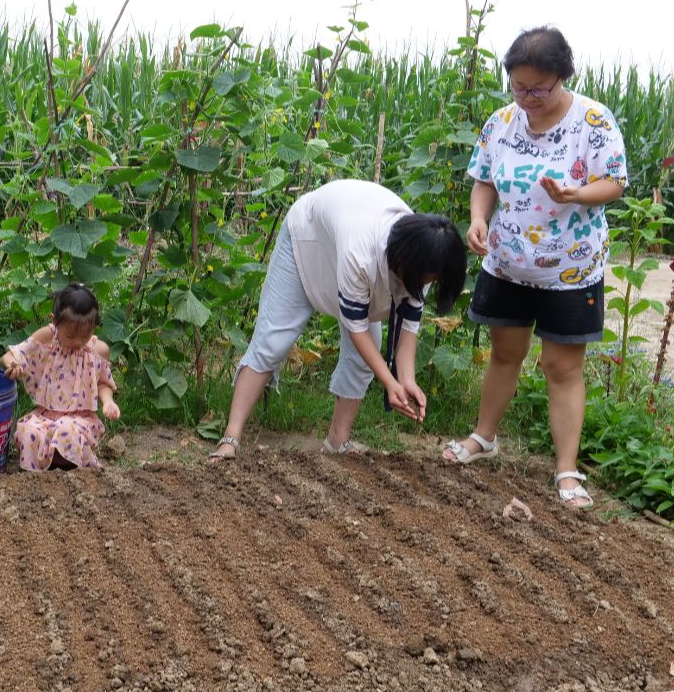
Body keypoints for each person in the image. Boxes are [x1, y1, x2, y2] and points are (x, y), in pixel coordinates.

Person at [442, 26, 628, 508]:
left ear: (563, 77)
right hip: (506, 263)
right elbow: (484, 179)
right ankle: (483, 437)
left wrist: (576, 194)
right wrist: (479, 219)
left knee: (561, 366)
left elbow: (614, 184)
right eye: (519, 87)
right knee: (505, 353)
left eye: (539, 89)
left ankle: (566, 471)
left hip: (570, 267)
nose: (528, 98)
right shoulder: (501, 121)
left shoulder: (593, 121)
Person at [207, 179, 468, 461]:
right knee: (273, 340)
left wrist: (407, 381)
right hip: (308, 242)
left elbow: (407, 328)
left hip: (344, 250)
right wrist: (389, 383)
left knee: (365, 354)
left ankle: (336, 443)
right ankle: (230, 439)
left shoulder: (427, 259)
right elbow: (357, 330)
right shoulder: (363, 252)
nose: (429, 284)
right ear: (407, 262)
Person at [0, 283, 120, 470]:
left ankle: (70, 469)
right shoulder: (47, 338)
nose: (79, 342)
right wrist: (13, 365)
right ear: (55, 321)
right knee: (29, 431)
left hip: (80, 419)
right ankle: (35, 473)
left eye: (86, 335)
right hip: (46, 416)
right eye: (71, 336)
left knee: (66, 430)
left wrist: (108, 402)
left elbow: (103, 382)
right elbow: (10, 355)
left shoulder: (98, 350)